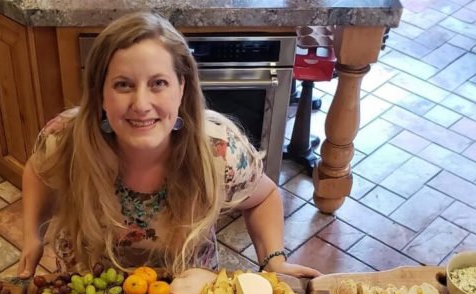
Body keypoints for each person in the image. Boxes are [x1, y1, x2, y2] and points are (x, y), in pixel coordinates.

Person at [18, 12, 319, 279]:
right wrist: (32, 235)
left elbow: (263, 197)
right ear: (100, 94)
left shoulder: (220, 150)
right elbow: (37, 171)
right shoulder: (64, 139)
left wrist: (274, 260)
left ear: (181, 87)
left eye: (158, 83)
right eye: (123, 84)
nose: (141, 104)